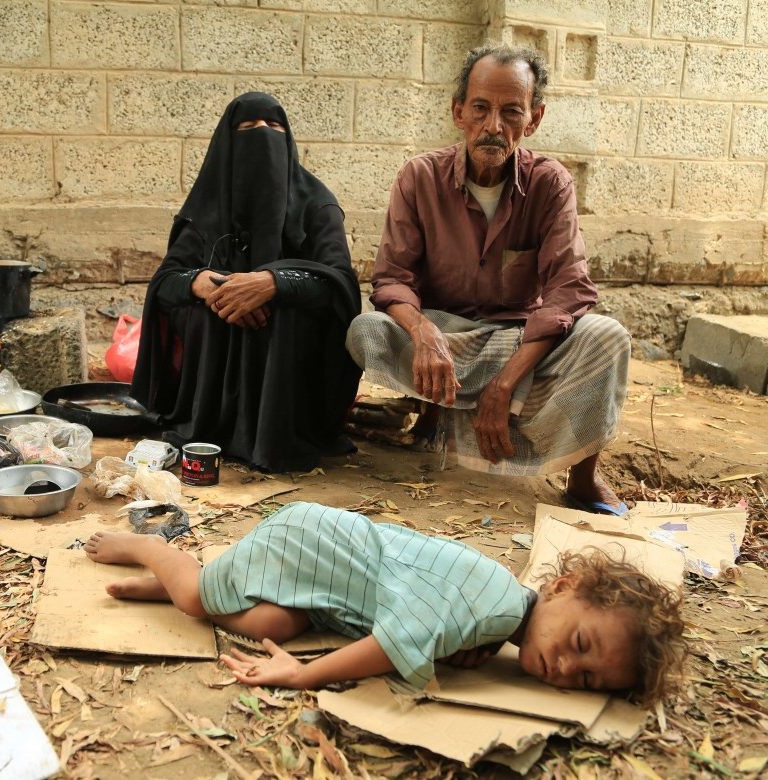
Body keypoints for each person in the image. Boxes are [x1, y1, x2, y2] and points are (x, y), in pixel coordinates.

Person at [345, 43, 632, 515]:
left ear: (534, 119)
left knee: (607, 336)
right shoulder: (419, 177)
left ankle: (582, 477)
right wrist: (422, 332)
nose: (493, 126)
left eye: (511, 111)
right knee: (368, 331)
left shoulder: (550, 183)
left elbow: (569, 289)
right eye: (480, 108)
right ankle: (439, 414)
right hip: (445, 338)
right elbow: (393, 279)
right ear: (459, 111)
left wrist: (504, 383)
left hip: (517, 341)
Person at [83, 501, 685, 705]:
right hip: (311, 543)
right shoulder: (493, 611)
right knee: (199, 597)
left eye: (584, 680)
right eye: (579, 644)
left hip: (328, 583)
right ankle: (152, 552)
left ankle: (170, 588)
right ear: (560, 587)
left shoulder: (500, 615)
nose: (565, 668)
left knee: (272, 621)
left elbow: (428, 618)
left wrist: (463, 648)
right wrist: (303, 677)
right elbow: (390, 645)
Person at [131, 92, 362, 473]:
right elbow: (165, 283)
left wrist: (274, 283)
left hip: (291, 371)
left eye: (274, 127)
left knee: (287, 312)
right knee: (204, 310)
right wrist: (202, 283)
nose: (263, 136)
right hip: (213, 370)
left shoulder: (316, 205)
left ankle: (277, 438)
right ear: (228, 140)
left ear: (287, 139)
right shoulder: (207, 208)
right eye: (249, 128)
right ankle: (211, 427)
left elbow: (340, 283)